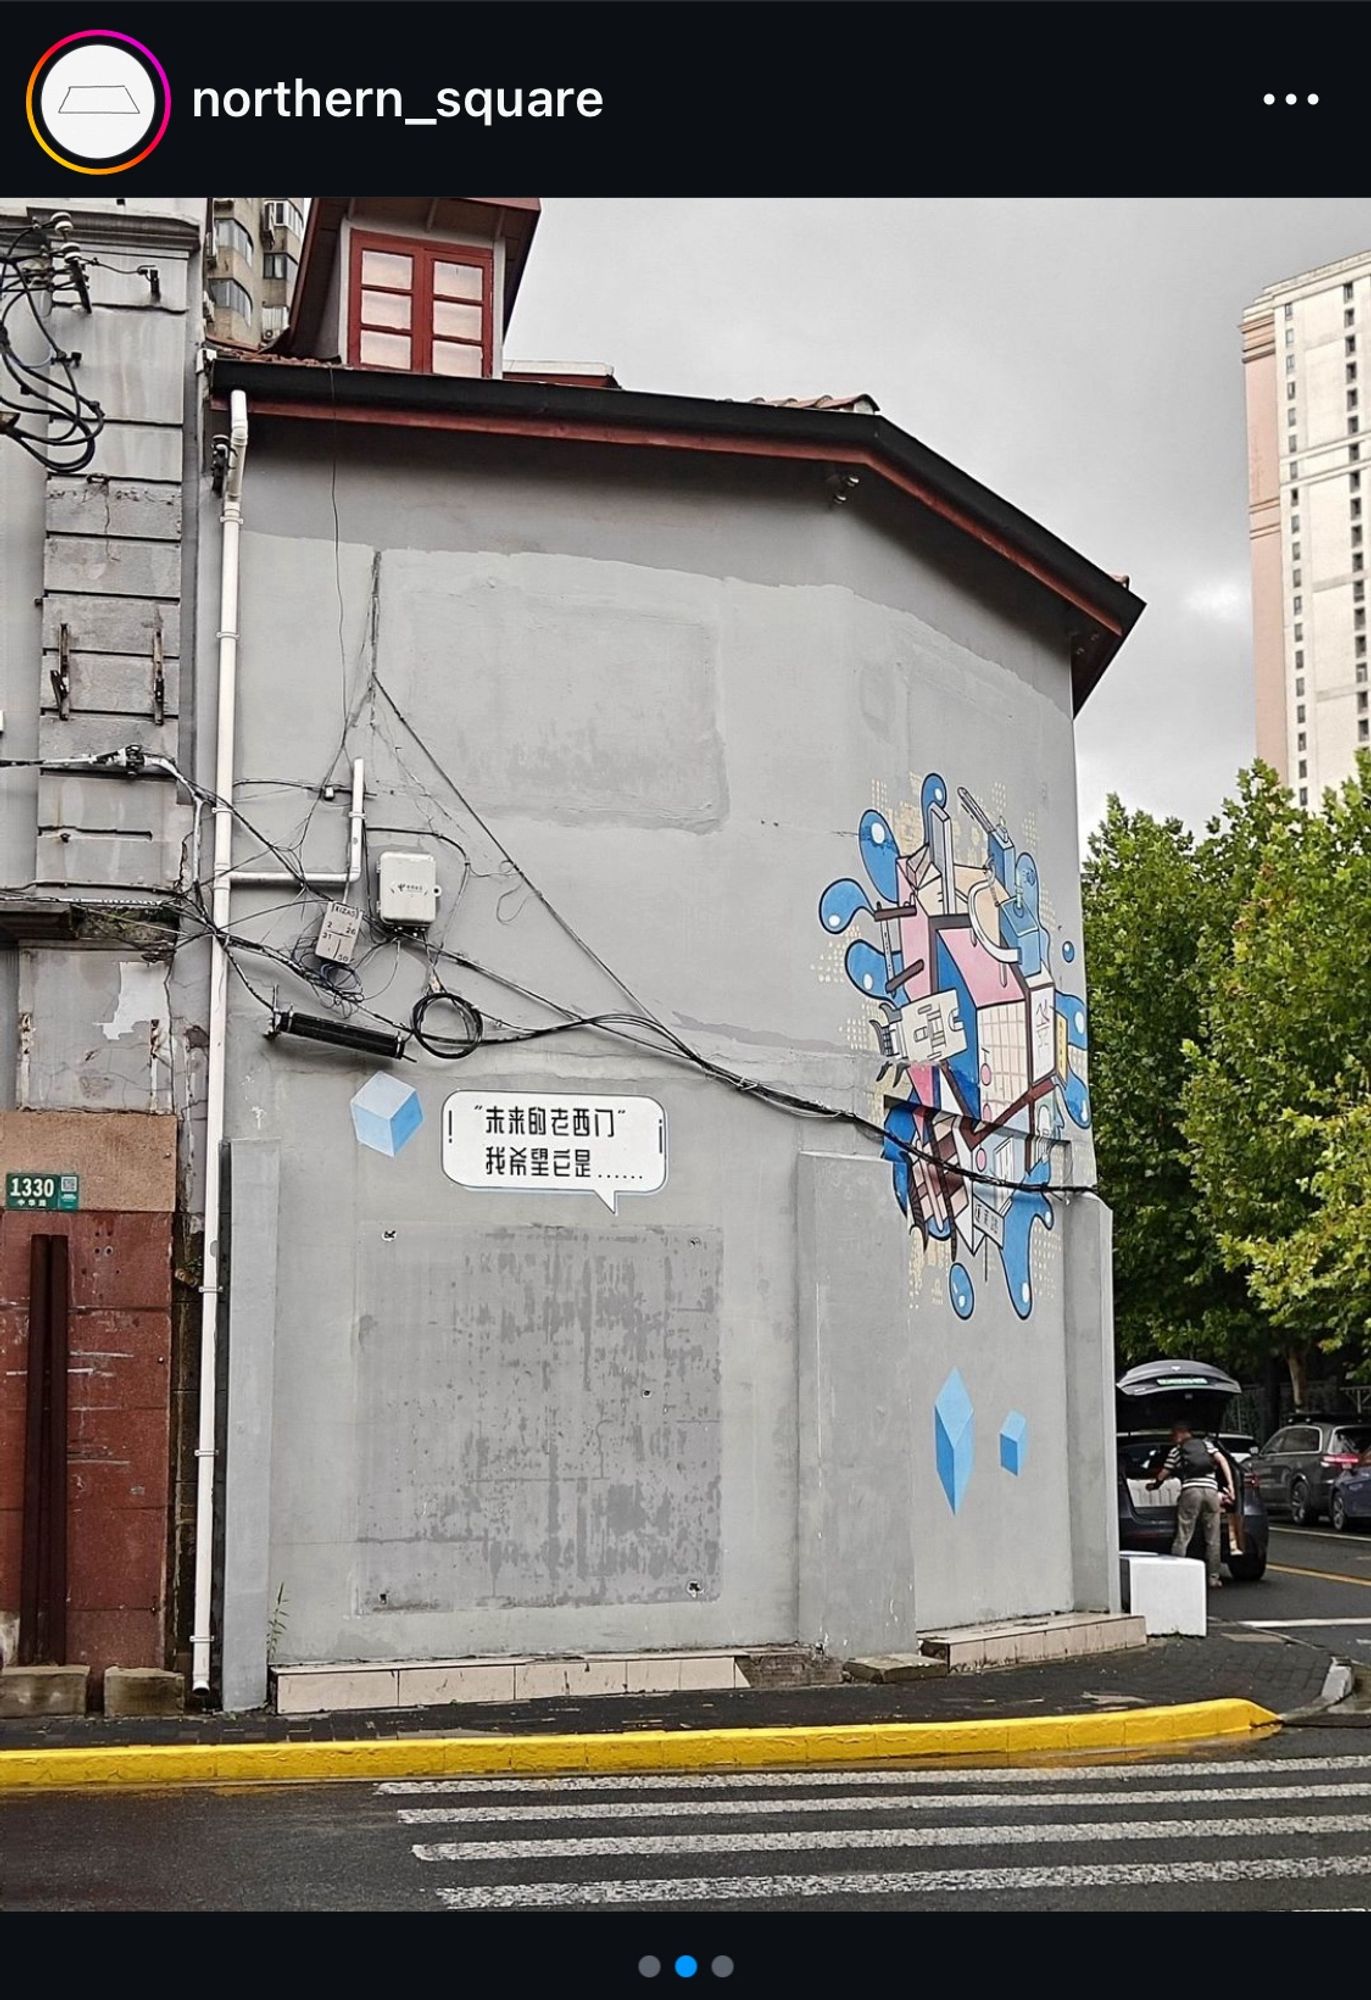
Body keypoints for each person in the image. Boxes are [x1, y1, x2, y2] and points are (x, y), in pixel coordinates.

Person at [1147, 1419, 1236, 1588]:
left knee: (1183, 1535)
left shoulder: (1176, 1450)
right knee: (1213, 1538)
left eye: (1173, 1436)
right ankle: (1213, 1577)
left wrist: (1154, 1485)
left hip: (1191, 1492)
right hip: (1211, 1492)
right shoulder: (1206, 1445)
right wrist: (1230, 1486)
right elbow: (1223, 1461)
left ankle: (1178, 1574)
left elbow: (1164, 1473)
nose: (1172, 1440)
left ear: (1179, 1434)